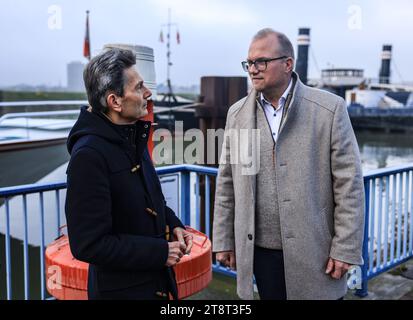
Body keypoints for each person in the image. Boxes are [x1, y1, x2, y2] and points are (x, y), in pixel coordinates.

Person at [212, 28, 365, 300]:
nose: (253, 69)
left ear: (288, 64)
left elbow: (349, 184)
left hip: (316, 251)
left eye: (261, 61)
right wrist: (224, 240)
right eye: (249, 62)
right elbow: (227, 182)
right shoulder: (237, 114)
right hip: (261, 252)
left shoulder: (329, 109)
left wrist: (346, 248)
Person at [65, 48, 192, 300]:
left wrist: (174, 224)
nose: (147, 94)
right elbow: (88, 244)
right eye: (139, 87)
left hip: (156, 284)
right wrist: (159, 252)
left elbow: (150, 200)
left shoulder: (131, 137)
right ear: (115, 101)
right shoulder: (88, 156)